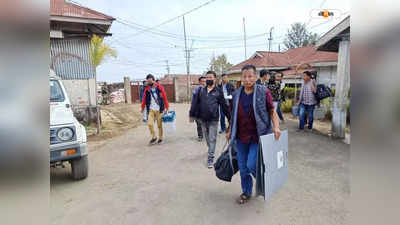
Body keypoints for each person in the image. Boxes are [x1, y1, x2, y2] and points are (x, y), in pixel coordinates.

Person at [226, 64, 281, 205]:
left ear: (255, 77)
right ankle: (246, 191)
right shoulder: (237, 94)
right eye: (244, 76)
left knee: (251, 165)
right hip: (241, 137)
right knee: (243, 167)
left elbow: (272, 111)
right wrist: (229, 130)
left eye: (250, 76)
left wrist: (276, 127)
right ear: (241, 78)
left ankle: (264, 181)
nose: (247, 79)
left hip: (258, 135)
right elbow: (233, 116)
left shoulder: (264, 92)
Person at [189, 71, 231, 168]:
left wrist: (230, 118)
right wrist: (192, 114)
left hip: (214, 120)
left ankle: (210, 158)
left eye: (210, 77)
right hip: (203, 119)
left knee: (212, 139)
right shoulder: (201, 91)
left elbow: (224, 106)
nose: (208, 79)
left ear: (215, 79)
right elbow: (195, 103)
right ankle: (210, 149)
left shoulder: (218, 92)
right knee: (207, 139)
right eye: (207, 78)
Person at [141, 74, 169, 144]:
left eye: (150, 81)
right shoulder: (147, 89)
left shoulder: (159, 88)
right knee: (150, 124)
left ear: (153, 80)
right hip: (151, 109)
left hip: (159, 110)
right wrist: (142, 107)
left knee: (159, 125)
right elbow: (144, 99)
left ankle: (160, 137)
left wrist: (167, 107)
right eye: (148, 81)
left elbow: (165, 97)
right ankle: (154, 137)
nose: (149, 83)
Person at [190, 76, 207, 142]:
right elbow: (193, 101)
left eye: (205, 81)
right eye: (202, 81)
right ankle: (200, 136)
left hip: (206, 110)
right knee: (199, 124)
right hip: (198, 110)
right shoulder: (196, 90)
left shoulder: (209, 89)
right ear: (199, 82)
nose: (204, 83)